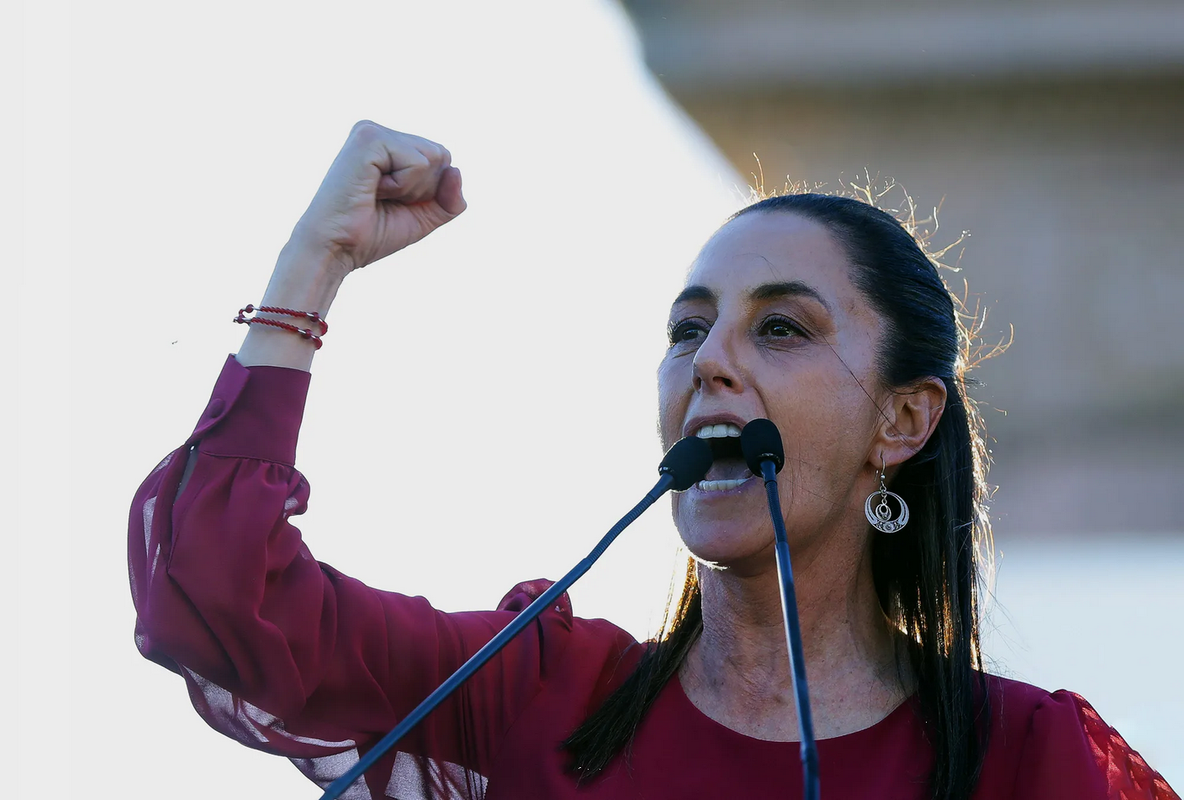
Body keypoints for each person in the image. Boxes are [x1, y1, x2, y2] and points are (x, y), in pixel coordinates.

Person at [127, 120, 1178, 800]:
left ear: (901, 421)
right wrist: (314, 262)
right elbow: (207, 595)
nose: (707, 362)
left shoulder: (1029, 759)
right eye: (686, 329)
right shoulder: (536, 688)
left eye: (779, 330)